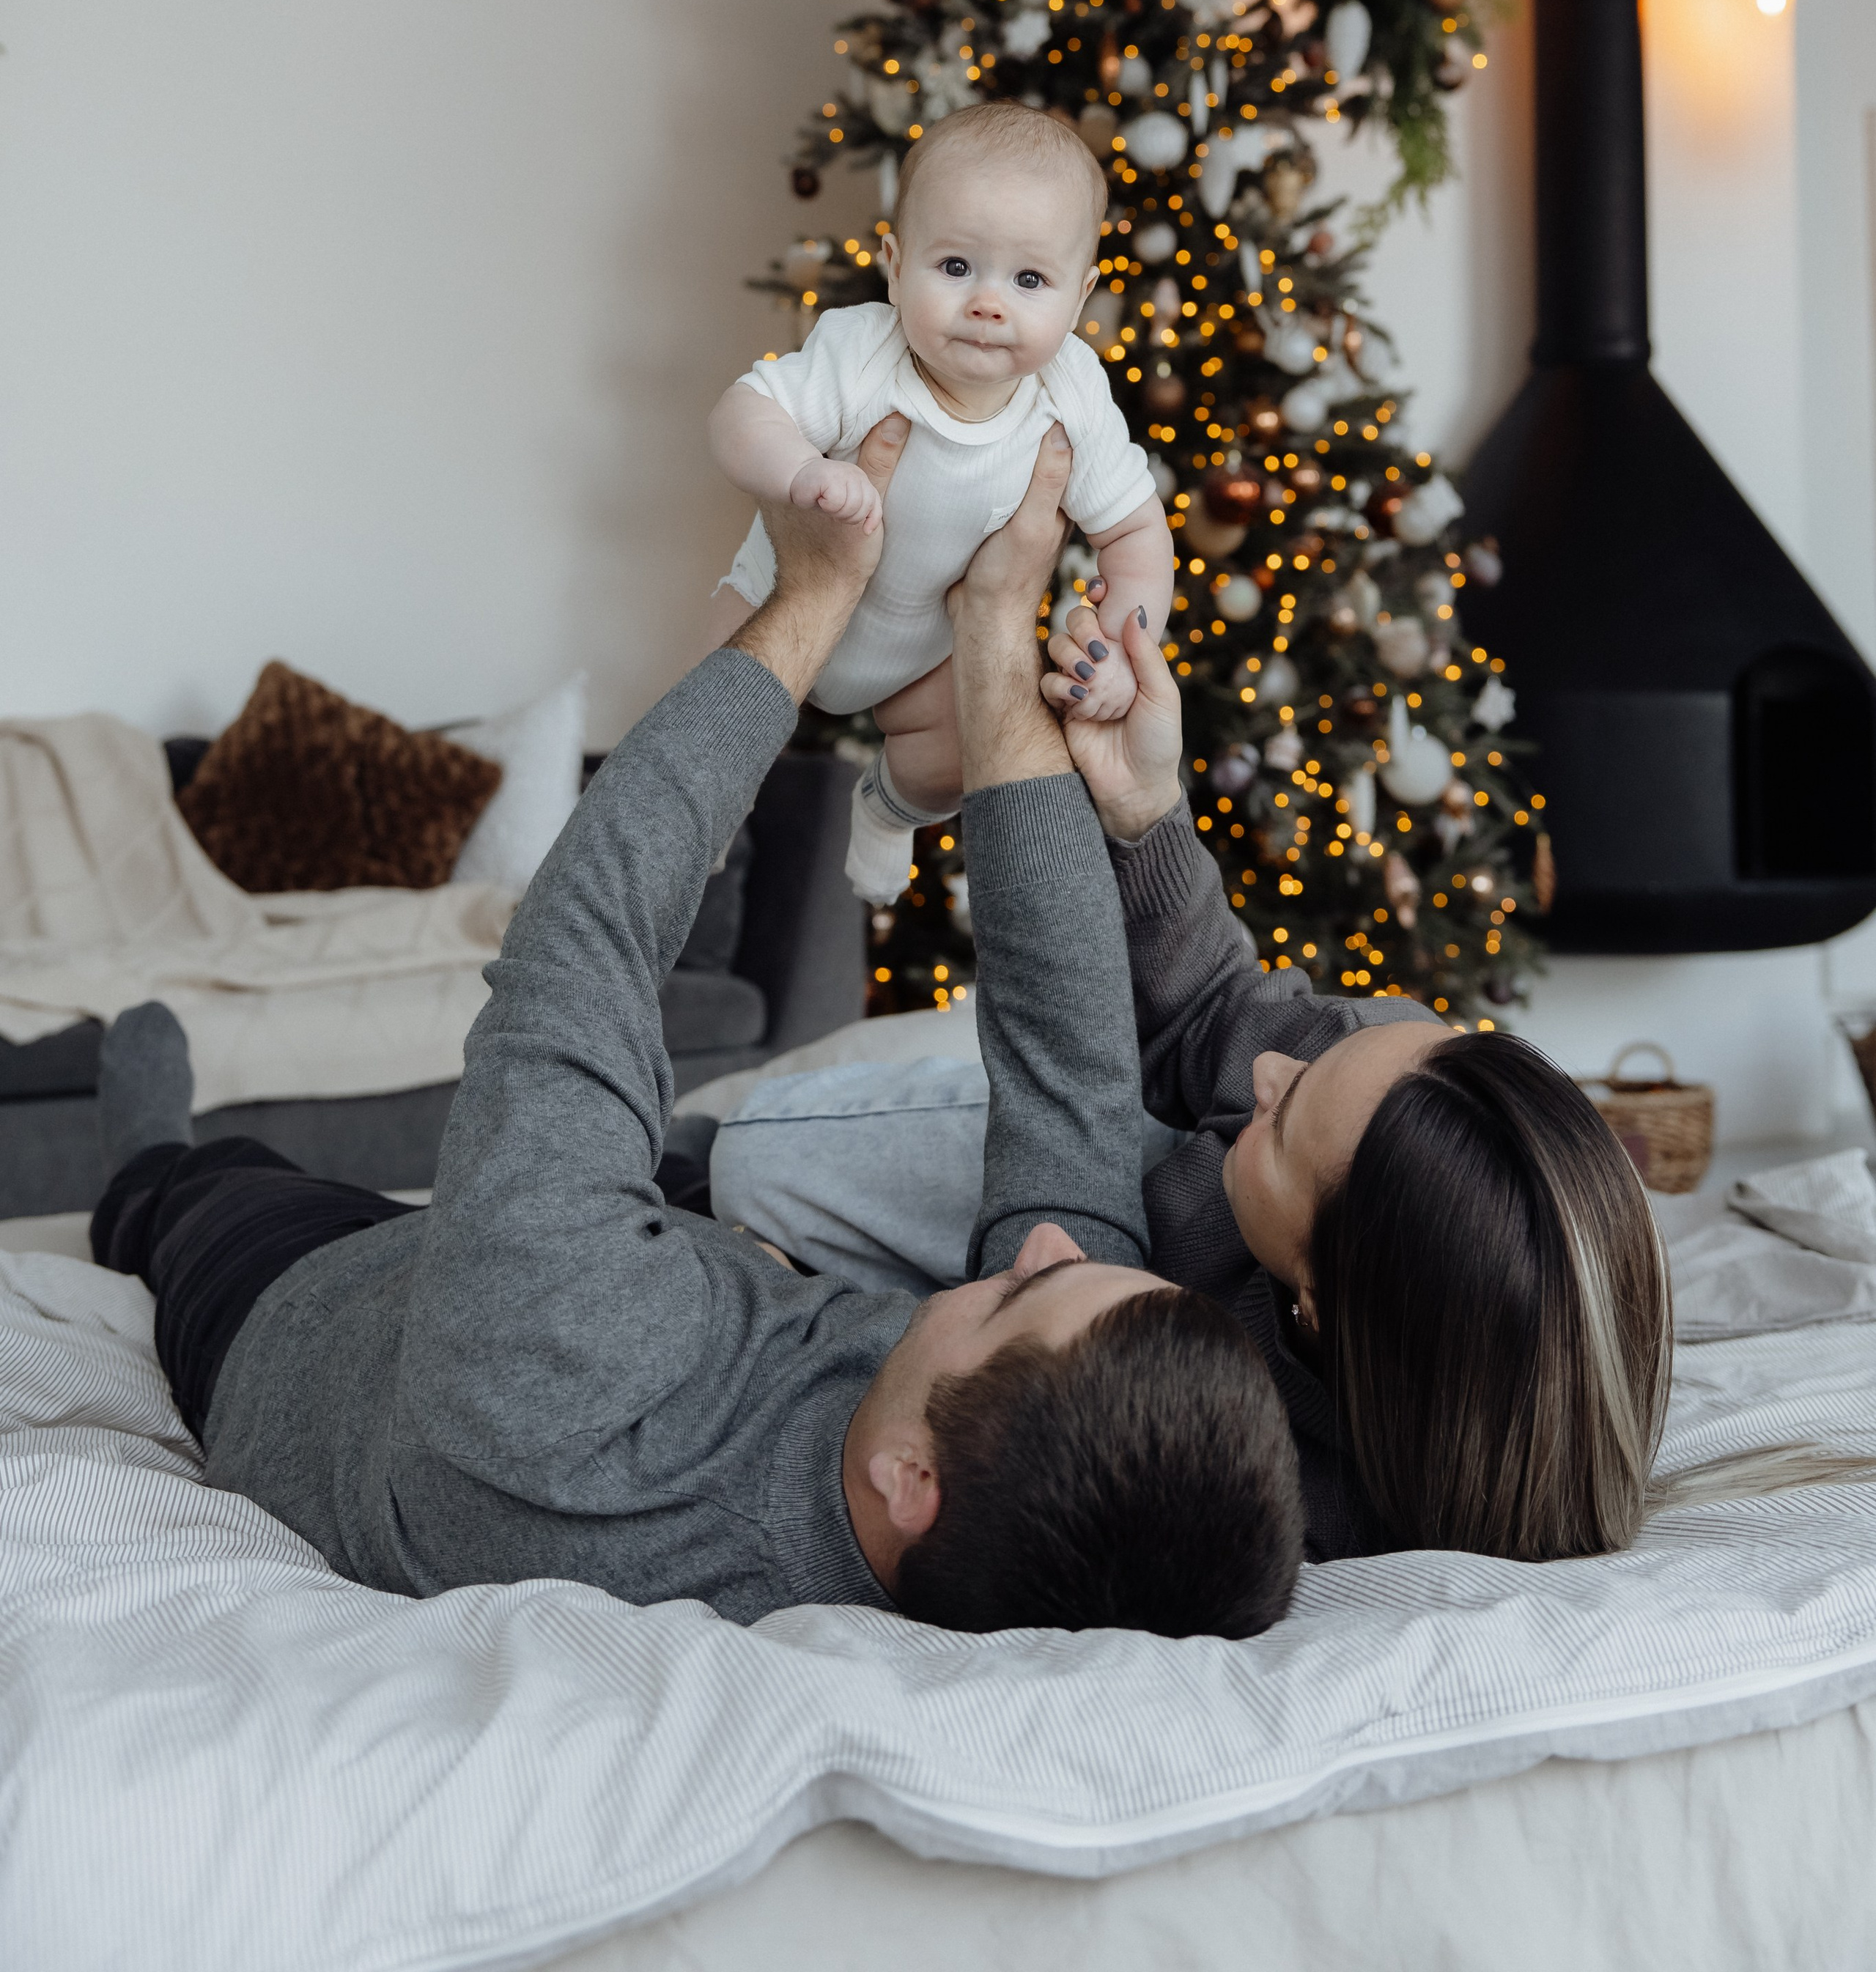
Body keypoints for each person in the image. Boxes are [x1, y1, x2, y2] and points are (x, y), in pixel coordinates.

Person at [90, 421, 1303, 1641]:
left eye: (1011, 1299)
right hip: (567, 1274)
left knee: (193, 1191)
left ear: (913, 1484)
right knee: (534, 1204)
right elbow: (1069, 1071)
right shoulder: (1016, 1497)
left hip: (310, 1318)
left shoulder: (578, 1364)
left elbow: (589, 935)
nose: (1040, 1247)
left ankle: (144, 1154)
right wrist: (996, 623)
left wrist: (809, 599)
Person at [710, 574, 1680, 1567]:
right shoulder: (1394, 1085)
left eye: (1284, 1119)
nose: (1267, 1070)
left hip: (1128, 1307)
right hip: (1124, 1164)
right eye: (1316, 1062)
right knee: (751, 1160)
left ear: (1312, 1305)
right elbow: (1216, 1019)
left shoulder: (1288, 1485)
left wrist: (866, 1331)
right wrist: (1143, 804)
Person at [705, 105, 1175, 901]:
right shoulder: (860, 352)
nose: (989, 302)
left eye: (1029, 280)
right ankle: (707, 819)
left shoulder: (1072, 397)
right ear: (894, 265)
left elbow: (1135, 532)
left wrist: (1120, 657)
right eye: (955, 267)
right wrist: (796, 472)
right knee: (709, 710)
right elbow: (740, 414)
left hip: (925, 650)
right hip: (775, 599)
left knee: (958, 751)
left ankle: (889, 813)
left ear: (1082, 294)